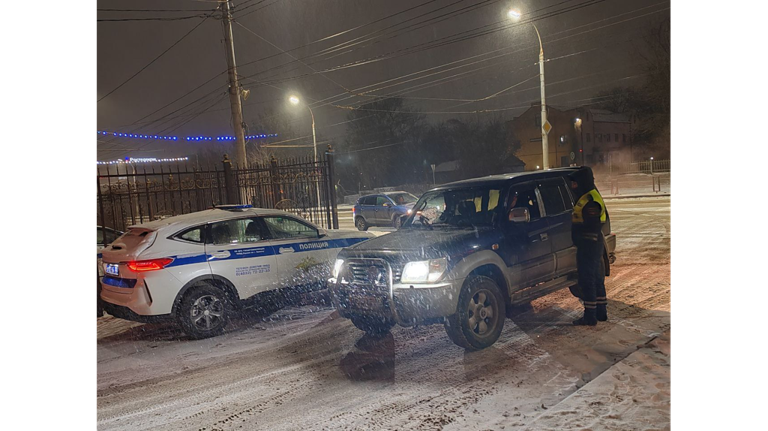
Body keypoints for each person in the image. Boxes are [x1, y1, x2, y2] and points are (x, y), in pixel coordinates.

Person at [569, 167, 608, 326]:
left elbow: (592, 225)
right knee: (596, 279)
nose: (573, 186)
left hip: (589, 244)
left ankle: (590, 316)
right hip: (591, 243)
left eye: (575, 183)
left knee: (587, 280)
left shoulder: (590, 200)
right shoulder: (587, 196)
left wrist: (582, 242)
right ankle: (601, 312)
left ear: (582, 182)